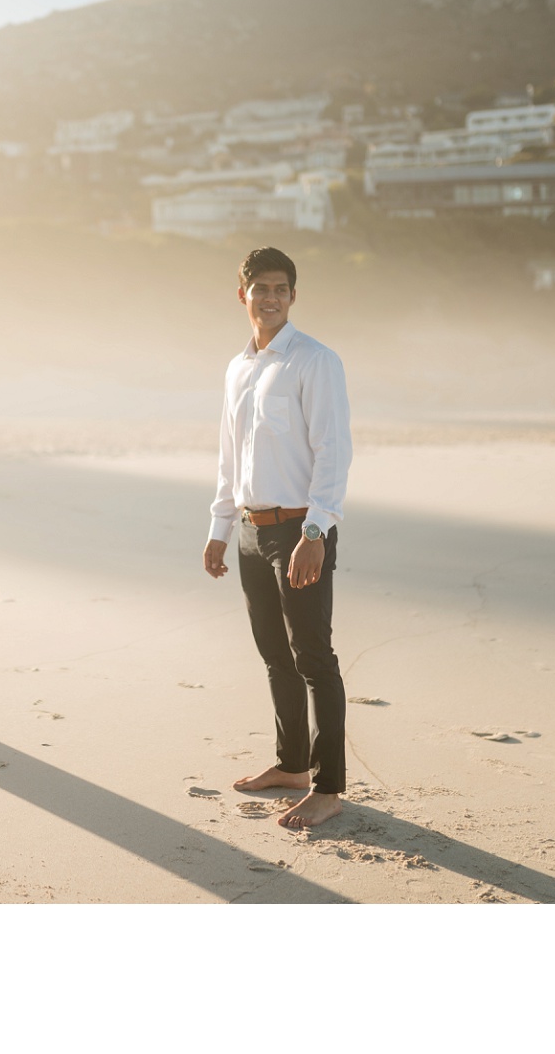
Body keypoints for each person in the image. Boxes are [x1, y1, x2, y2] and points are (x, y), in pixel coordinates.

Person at [203, 247, 353, 830]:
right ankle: (291, 765)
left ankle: (329, 786)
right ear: (241, 294)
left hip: (300, 528)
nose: (270, 297)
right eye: (260, 287)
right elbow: (229, 455)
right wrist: (220, 528)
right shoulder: (237, 367)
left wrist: (316, 530)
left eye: (281, 288)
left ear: (293, 296)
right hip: (248, 528)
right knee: (275, 657)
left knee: (313, 657)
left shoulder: (316, 361)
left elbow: (333, 455)